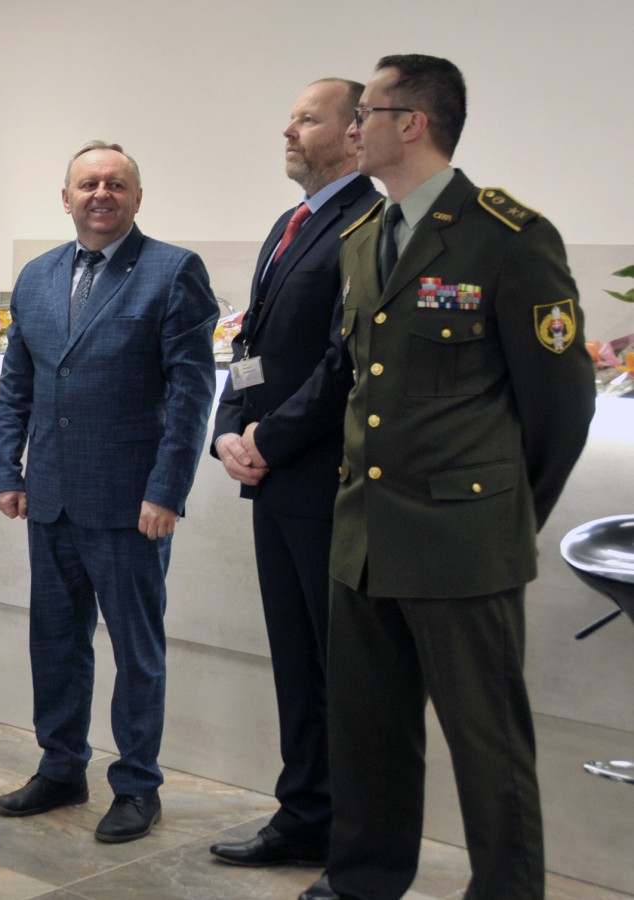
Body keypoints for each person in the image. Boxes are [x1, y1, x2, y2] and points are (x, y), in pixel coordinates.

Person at [299, 55, 595, 900]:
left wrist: (501, 518)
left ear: (413, 122)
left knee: (487, 744)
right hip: (365, 536)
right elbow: (364, 382)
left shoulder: (507, 237)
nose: (352, 128)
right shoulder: (366, 236)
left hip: (463, 542)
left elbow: (561, 407)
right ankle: (364, 879)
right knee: (369, 731)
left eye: (366, 112)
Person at [0, 141, 219, 843]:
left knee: (135, 650)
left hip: (131, 504)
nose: (101, 194)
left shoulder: (172, 272)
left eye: (116, 184)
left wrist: (167, 491)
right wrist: (6, 470)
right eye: (88, 184)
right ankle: (61, 766)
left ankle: (138, 785)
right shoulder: (37, 276)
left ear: (137, 198)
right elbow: (17, 383)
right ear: (66, 198)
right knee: (56, 641)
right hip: (51, 496)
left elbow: (191, 394)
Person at [208, 80, 379, 870]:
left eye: (308, 119)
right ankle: (303, 814)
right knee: (295, 660)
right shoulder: (291, 224)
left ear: (354, 134)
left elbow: (345, 363)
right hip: (273, 479)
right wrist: (225, 430)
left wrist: (269, 439)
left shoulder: (369, 224)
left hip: (325, 481)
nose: (289, 129)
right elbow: (251, 345)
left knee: (335, 667)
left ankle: (349, 835)